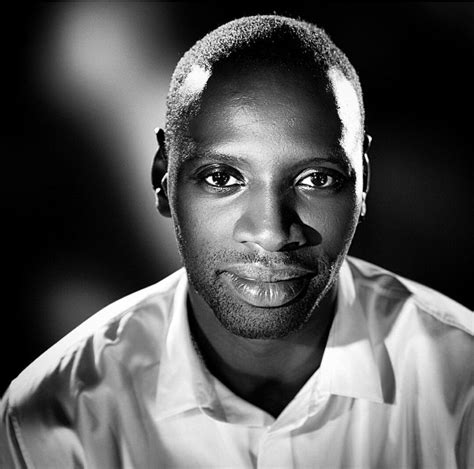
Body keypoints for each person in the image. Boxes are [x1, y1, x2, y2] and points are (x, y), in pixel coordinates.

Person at [1, 14, 472, 468]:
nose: (270, 231)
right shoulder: (54, 414)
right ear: (163, 179)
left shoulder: (462, 384)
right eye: (222, 177)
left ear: (363, 181)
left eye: (315, 179)